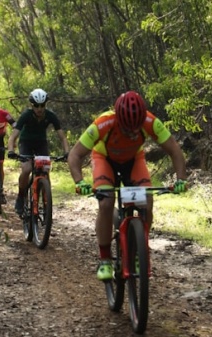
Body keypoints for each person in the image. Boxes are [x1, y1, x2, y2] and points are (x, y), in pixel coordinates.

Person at [67, 90, 188, 281]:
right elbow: (75, 154)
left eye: (135, 128)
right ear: (118, 119)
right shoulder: (103, 123)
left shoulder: (150, 121)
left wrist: (181, 179)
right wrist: (79, 181)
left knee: (147, 201)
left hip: (133, 160)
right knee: (106, 203)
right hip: (104, 159)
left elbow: (174, 149)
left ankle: (140, 250)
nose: (131, 132)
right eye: (126, 128)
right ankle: (105, 259)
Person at [7, 88, 70, 215]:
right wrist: (11, 150)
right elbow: (13, 136)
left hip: (41, 143)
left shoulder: (51, 115)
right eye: (36, 106)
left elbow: (62, 137)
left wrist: (67, 153)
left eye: (42, 105)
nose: (39, 109)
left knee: (45, 171)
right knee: (26, 169)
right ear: (32, 105)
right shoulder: (26, 115)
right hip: (26, 142)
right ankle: (21, 196)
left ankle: (46, 200)